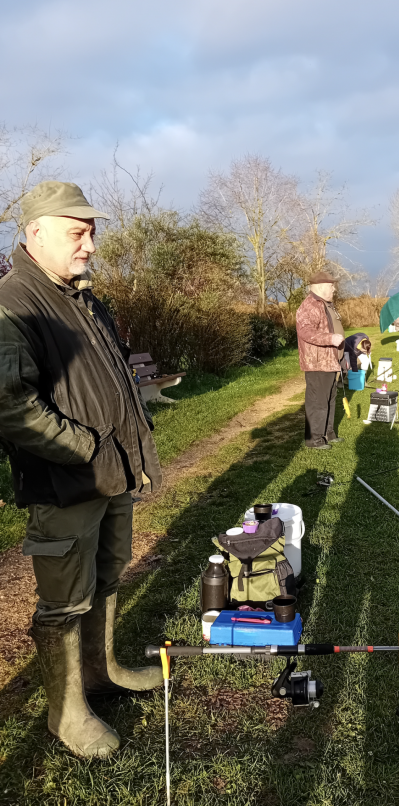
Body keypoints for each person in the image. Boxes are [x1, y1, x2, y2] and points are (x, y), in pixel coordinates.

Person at [0, 181, 163, 758]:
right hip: (68, 482)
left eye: (92, 231)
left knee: (109, 574)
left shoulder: (83, 297)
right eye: (77, 231)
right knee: (64, 601)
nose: (90, 244)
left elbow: (113, 381)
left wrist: (128, 452)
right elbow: (11, 406)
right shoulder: (13, 302)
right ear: (36, 232)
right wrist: (85, 449)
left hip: (113, 473)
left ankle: (101, 671)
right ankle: (66, 715)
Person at [296, 270, 345, 450]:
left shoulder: (326, 304)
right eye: (331, 285)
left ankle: (328, 433)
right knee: (317, 401)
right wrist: (330, 339)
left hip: (331, 361)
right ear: (321, 286)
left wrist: (342, 354)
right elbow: (306, 331)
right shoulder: (310, 305)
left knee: (330, 399)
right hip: (318, 363)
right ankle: (313, 439)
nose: (334, 289)